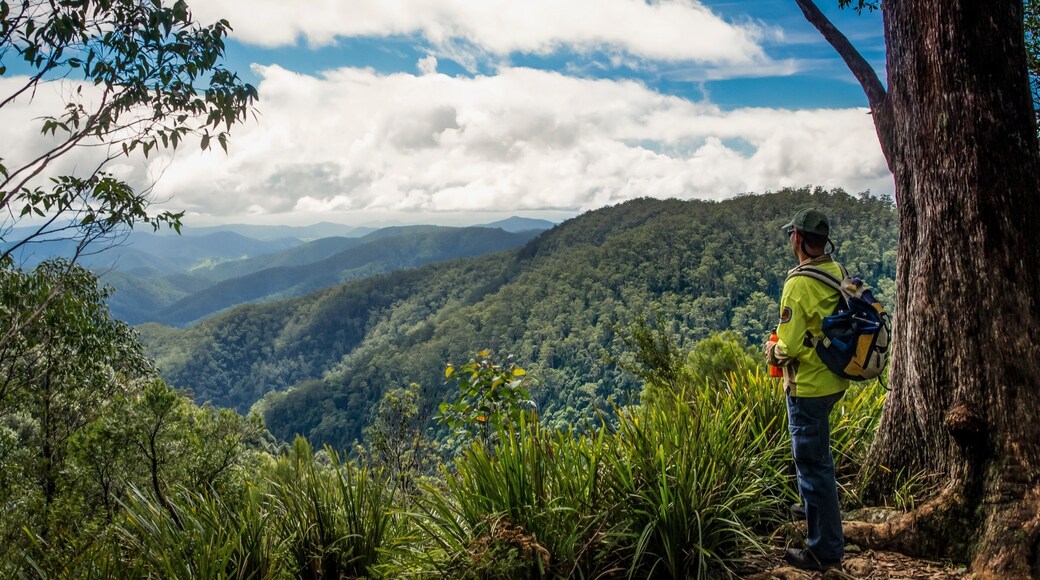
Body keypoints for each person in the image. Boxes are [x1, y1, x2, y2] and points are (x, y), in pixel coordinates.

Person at [765, 208, 848, 572]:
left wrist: (772, 350)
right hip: (833, 381)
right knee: (818, 453)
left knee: (814, 465)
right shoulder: (836, 271)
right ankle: (809, 507)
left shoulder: (797, 284)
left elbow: (791, 346)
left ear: (797, 238)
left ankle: (823, 551)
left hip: (808, 387)